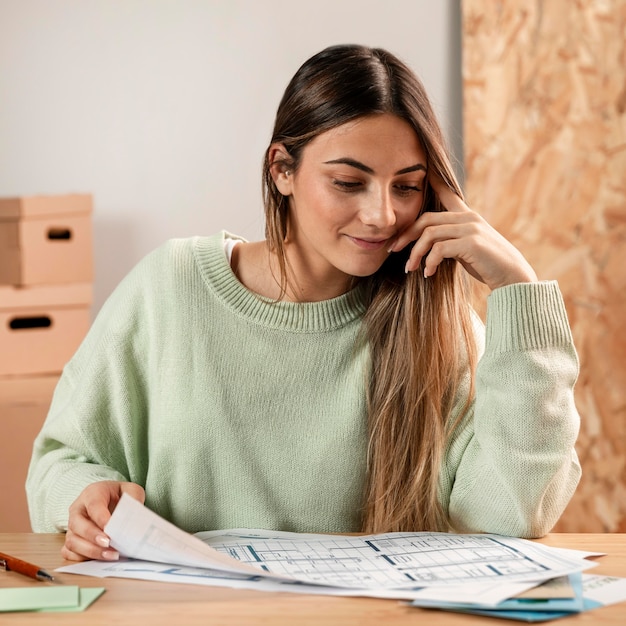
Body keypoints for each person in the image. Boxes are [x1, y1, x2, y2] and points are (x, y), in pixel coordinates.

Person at [26, 44, 581, 563]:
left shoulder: (434, 323)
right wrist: (87, 496)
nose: (382, 215)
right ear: (281, 170)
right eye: (348, 181)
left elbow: (509, 513)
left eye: (406, 187)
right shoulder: (170, 289)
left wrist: (517, 290)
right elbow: (60, 461)